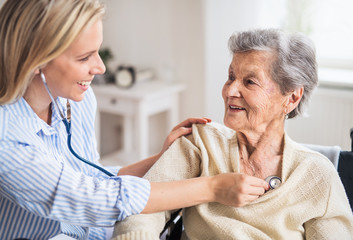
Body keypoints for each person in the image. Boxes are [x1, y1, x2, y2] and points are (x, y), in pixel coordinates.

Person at [0, 0, 255, 239]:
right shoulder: (6, 137)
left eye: (97, 52)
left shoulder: (75, 102)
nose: (101, 67)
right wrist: (212, 188)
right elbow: (90, 198)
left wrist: (161, 159)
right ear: (36, 61)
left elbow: (90, 176)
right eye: (84, 57)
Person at [113, 29, 353, 239]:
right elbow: (142, 208)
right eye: (231, 76)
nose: (230, 90)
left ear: (292, 97)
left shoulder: (317, 175)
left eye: (250, 82)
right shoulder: (201, 142)